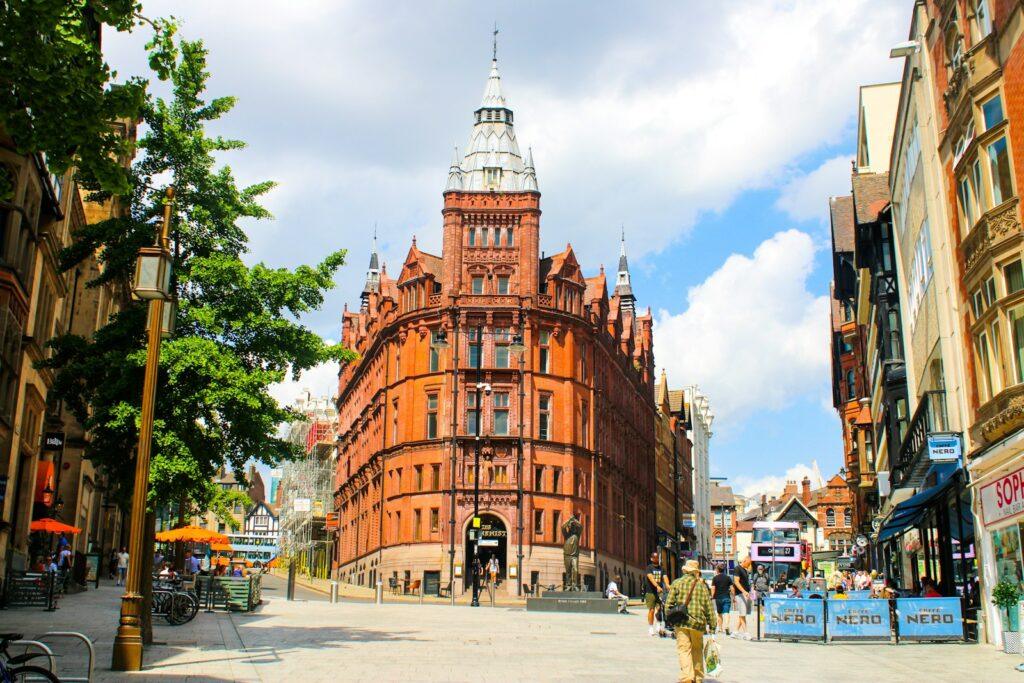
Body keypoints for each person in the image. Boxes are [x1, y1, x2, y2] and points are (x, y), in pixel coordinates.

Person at [665, 560, 716, 683]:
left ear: (685, 570)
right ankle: (698, 677)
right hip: (698, 623)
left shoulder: (676, 583)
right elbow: (709, 607)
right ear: (696, 572)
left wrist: (671, 619)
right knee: (697, 649)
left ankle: (687, 676)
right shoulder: (702, 586)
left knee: (684, 649)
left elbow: (668, 605)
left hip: (681, 623)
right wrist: (712, 625)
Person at [644, 552, 670, 636]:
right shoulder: (649, 568)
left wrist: (667, 585)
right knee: (651, 610)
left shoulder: (662, 569)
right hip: (650, 592)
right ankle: (651, 628)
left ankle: (658, 625)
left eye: (657, 558)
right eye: (654, 558)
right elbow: (651, 578)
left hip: (659, 593)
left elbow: (665, 577)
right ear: (651, 559)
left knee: (660, 609)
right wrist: (657, 586)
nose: (656, 559)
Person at [732, 556, 753, 640]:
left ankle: (735, 632)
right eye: (748, 563)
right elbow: (736, 582)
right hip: (740, 594)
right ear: (744, 561)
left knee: (742, 613)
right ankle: (746, 633)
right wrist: (744, 591)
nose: (749, 565)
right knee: (742, 614)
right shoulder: (737, 568)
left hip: (745, 594)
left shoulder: (745, 570)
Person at [710, 563, 733, 635]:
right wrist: (734, 597)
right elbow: (732, 588)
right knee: (726, 612)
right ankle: (726, 626)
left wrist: (712, 596)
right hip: (726, 597)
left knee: (719, 613)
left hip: (718, 598)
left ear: (717, 570)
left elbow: (713, 588)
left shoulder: (715, 578)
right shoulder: (728, 577)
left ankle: (720, 628)